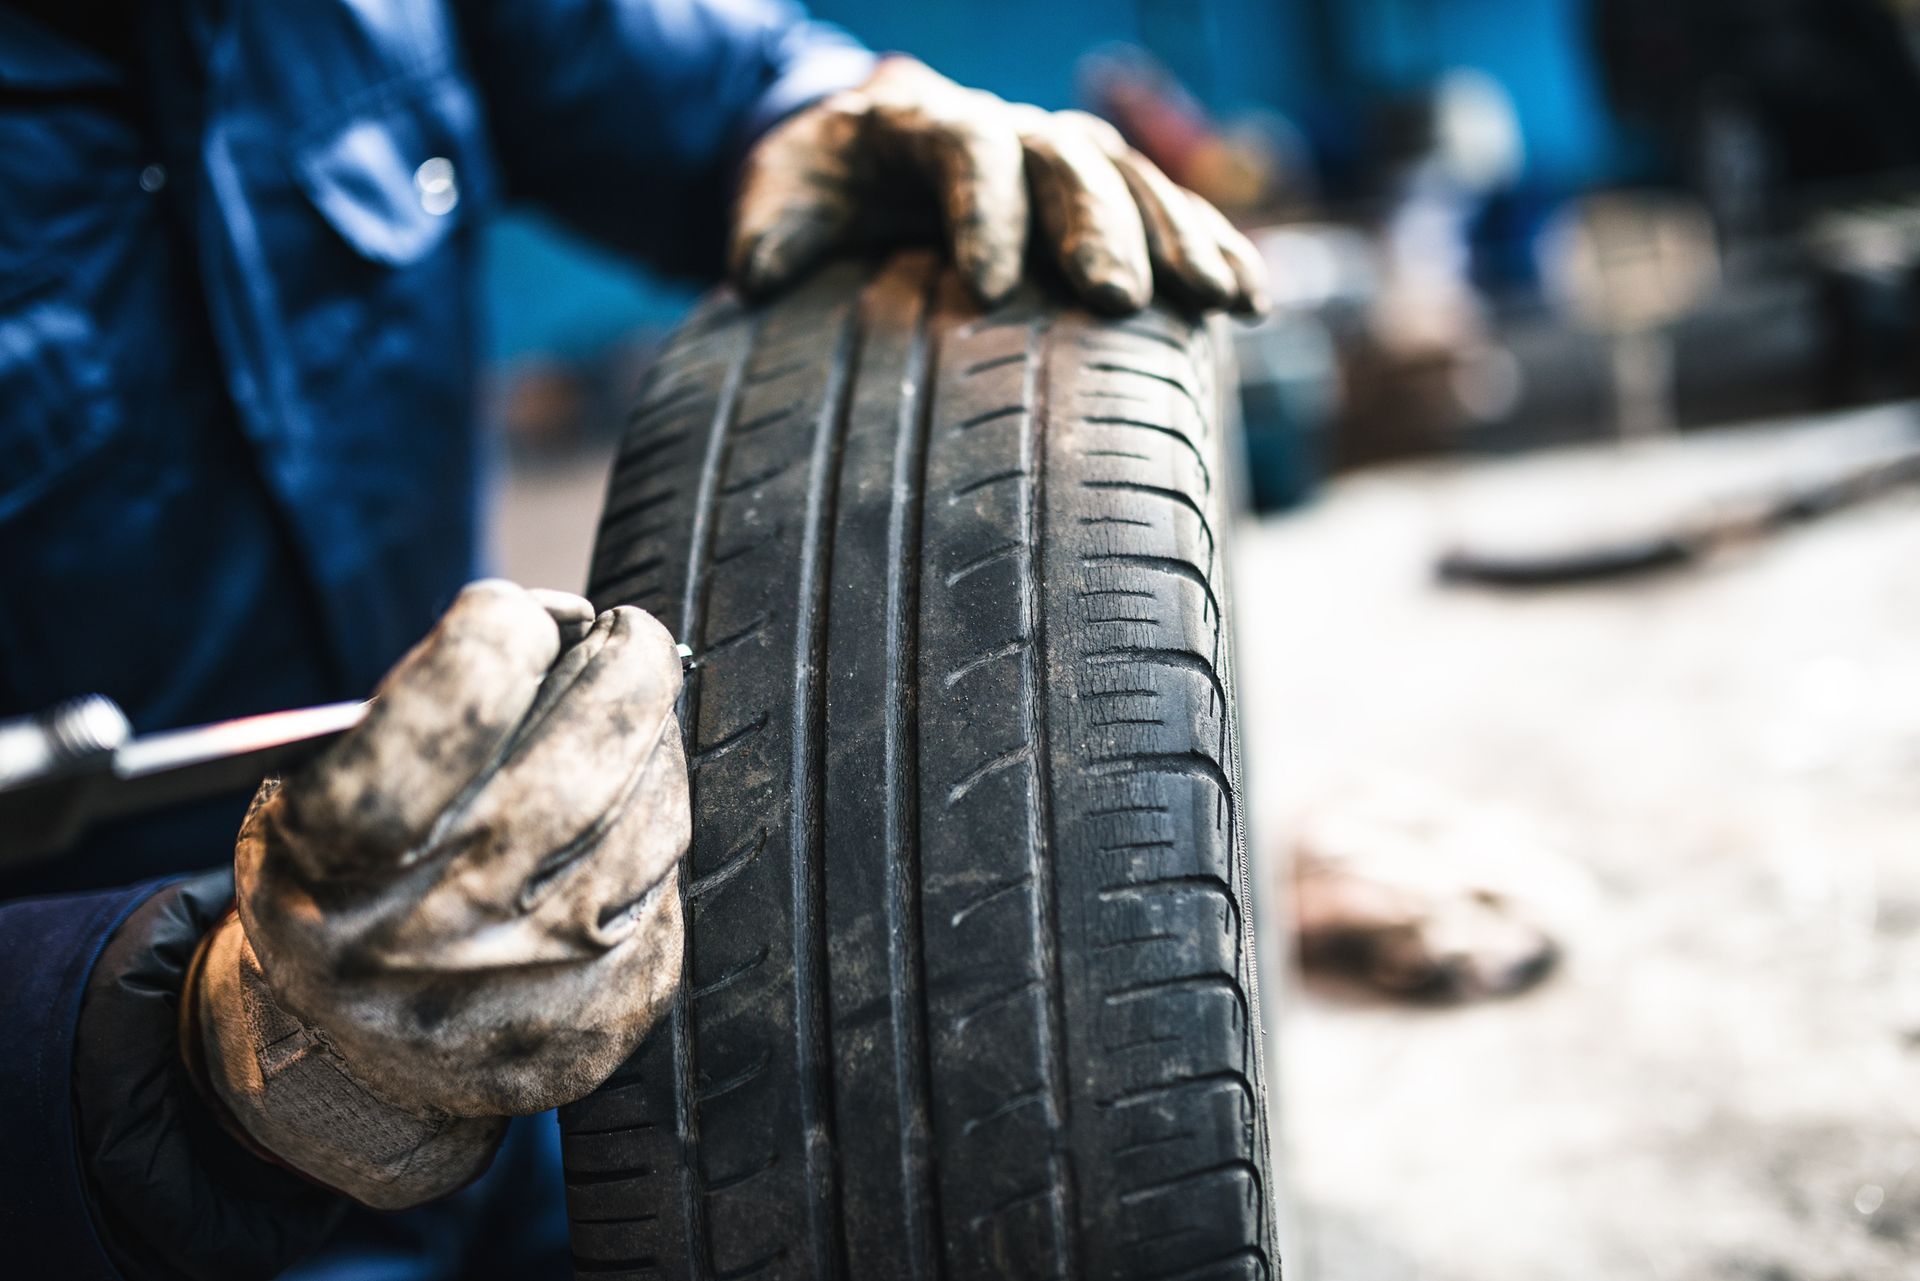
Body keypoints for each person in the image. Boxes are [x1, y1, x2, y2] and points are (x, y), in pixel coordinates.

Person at [0, 3, 1265, 1278]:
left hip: (549, 1057)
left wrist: (822, 104)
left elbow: (682, 73)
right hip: (111, 1190)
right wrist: (191, 1050)